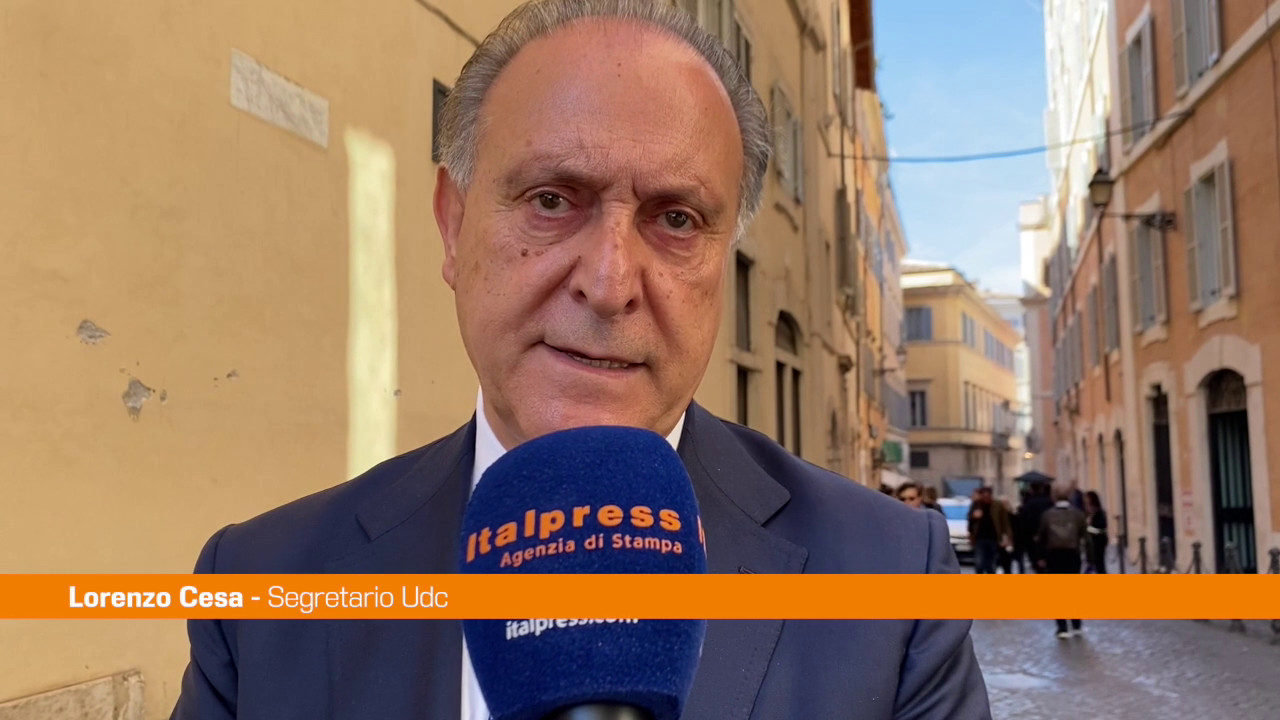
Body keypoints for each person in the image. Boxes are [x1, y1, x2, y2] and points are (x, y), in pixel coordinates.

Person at [168, 2, 990, 718]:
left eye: (675, 219)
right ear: (453, 226)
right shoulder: (258, 586)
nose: (609, 283)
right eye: (552, 200)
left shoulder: (893, 582)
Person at [1036, 483, 1088, 638]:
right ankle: (1076, 624)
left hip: (1054, 555)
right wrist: (1090, 558)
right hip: (1072, 554)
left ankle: (1062, 626)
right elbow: (1086, 537)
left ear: (1054, 497)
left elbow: (1041, 537)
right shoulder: (1077, 514)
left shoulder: (1047, 515)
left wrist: (1040, 557)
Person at [967, 486, 1011, 574]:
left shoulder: (997, 505)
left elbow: (1004, 522)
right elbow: (970, 522)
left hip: (993, 537)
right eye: (984, 495)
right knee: (979, 563)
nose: (986, 497)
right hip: (979, 538)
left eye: (987, 495)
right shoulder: (976, 505)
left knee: (991, 563)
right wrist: (974, 517)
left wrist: (1006, 537)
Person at [1083, 490, 1109, 574]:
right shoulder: (1087, 512)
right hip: (1091, 542)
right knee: (1092, 564)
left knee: (1099, 564)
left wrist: (1088, 528)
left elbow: (1101, 528)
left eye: (1087, 499)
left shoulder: (1099, 512)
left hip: (1099, 541)